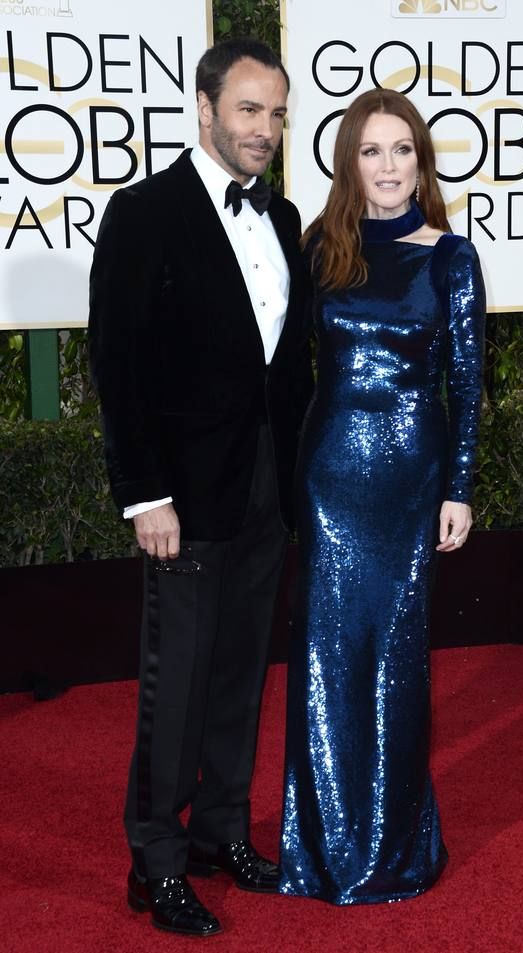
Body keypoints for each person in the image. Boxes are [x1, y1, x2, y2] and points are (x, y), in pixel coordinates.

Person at [88, 38, 312, 937]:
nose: (265, 128)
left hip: (266, 484)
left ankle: (222, 832)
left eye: (277, 112)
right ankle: (156, 859)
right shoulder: (143, 213)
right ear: (206, 107)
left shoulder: (285, 215)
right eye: (250, 109)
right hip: (181, 493)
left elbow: (286, 363)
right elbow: (118, 363)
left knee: (239, 668)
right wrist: (144, 495)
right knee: (173, 677)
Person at [279, 88, 486, 904]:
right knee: (327, 656)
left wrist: (459, 487)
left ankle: (391, 846)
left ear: (422, 162)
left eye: (402, 150)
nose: (389, 166)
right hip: (329, 474)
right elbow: (282, 366)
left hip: (411, 478)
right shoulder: (319, 249)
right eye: (372, 150)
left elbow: (468, 385)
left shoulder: (451, 256)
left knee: (396, 658)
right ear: (350, 163)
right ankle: (325, 844)